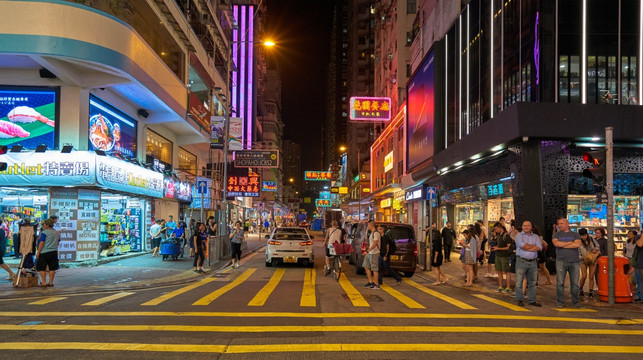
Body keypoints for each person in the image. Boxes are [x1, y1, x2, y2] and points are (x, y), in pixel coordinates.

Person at [552, 218, 582, 308]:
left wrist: (563, 244)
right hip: (561, 261)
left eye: (561, 223)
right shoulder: (556, 234)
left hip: (574, 262)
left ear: (567, 224)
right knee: (560, 283)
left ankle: (575, 302)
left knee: (575, 284)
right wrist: (570, 242)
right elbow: (556, 244)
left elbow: (577, 245)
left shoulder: (575, 234)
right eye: (558, 223)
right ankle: (560, 302)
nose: (559, 225)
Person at [514, 221, 543, 307]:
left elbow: (539, 247)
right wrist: (533, 247)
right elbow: (522, 246)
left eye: (528, 225)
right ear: (522, 227)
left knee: (533, 282)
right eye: (524, 225)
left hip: (533, 262)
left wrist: (528, 247)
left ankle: (532, 300)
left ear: (531, 227)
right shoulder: (519, 236)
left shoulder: (536, 237)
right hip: (521, 261)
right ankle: (519, 299)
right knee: (519, 282)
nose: (526, 227)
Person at [35, 218, 60, 287]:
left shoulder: (44, 233)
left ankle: (44, 282)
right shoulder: (57, 233)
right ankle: (51, 282)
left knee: (42, 268)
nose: (44, 225)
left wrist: (38, 253)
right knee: (52, 268)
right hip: (54, 252)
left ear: (47, 225)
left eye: (44, 224)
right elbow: (58, 242)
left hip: (44, 252)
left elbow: (42, 243)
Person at [577, 228, 600, 299]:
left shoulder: (592, 239)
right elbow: (576, 253)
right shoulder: (578, 242)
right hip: (583, 260)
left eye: (585, 235)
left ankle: (590, 291)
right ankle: (581, 288)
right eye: (582, 236)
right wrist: (582, 258)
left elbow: (598, 246)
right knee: (584, 276)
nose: (584, 237)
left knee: (591, 276)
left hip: (592, 259)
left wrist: (595, 249)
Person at [492, 222, 512, 293]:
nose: (496, 230)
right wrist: (496, 248)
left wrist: (498, 248)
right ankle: (500, 286)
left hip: (504, 256)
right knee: (499, 271)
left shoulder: (506, 236)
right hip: (498, 256)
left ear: (500, 227)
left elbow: (509, 247)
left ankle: (508, 287)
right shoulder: (499, 236)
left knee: (506, 271)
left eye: (496, 229)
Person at [362, 220, 381, 289]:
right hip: (370, 253)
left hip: (374, 253)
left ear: (371, 225)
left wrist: (367, 251)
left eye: (368, 225)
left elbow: (375, 244)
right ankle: (370, 282)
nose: (368, 227)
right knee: (366, 266)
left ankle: (376, 284)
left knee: (374, 269)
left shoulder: (376, 233)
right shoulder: (371, 233)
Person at [627, 231, 643, 302]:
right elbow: (640, 244)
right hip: (640, 263)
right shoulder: (638, 237)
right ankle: (641, 296)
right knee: (640, 281)